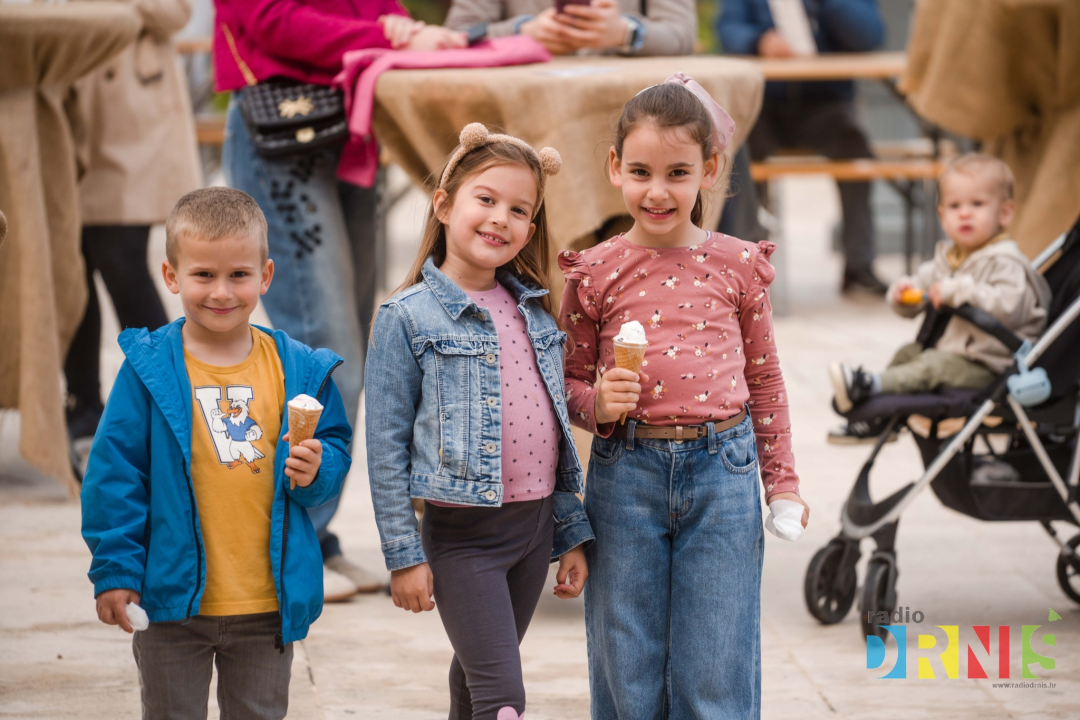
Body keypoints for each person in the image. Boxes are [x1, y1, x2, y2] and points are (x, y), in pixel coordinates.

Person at [558, 75, 809, 718]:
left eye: (678, 173)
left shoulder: (739, 266)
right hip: (625, 476)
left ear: (710, 169)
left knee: (715, 663)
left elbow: (765, 381)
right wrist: (597, 404)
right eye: (641, 171)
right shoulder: (595, 272)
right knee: (626, 660)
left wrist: (781, 483)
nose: (658, 191)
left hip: (724, 473)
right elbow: (565, 382)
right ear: (615, 167)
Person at [216, 0, 466, 599]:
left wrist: (402, 26)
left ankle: (314, 538)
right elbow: (268, 20)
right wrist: (385, 34)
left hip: (348, 127)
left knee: (358, 350)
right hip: (280, 129)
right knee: (326, 353)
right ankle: (283, 548)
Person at [80, 188, 353, 719]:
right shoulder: (149, 371)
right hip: (170, 604)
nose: (222, 292)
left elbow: (334, 448)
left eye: (239, 275)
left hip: (268, 604)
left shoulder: (297, 369)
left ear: (265, 276)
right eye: (203, 274)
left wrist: (318, 470)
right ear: (171, 276)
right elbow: (114, 476)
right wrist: (115, 571)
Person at [365, 124, 594, 720]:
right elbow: (384, 447)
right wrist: (403, 554)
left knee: (475, 685)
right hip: (464, 538)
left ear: (530, 231)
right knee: (503, 698)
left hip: (534, 530)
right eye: (486, 199)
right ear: (443, 205)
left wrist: (569, 531)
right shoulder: (405, 317)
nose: (500, 219)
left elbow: (552, 435)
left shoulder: (535, 311)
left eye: (519, 210)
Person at [65, 0, 201, 454]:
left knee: (121, 261)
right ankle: (83, 404)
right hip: (73, 104)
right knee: (72, 270)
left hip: (133, 117)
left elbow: (176, 12)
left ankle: (171, 397)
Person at [829, 154, 1051, 423]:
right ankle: (875, 413)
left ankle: (867, 387)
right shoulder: (948, 260)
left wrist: (957, 291)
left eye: (977, 204)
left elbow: (1008, 307)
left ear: (1004, 213)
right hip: (955, 356)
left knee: (932, 365)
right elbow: (920, 289)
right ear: (943, 216)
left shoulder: (1006, 262)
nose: (965, 213)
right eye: (955, 206)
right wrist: (902, 295)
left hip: (992, 365)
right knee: (908, 354)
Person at [717, 0, 889, 294]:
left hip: (826, 104)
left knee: (855, 148)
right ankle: (744, 266)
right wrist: (759, 41)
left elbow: (869, 35)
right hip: (763, 105)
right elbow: (727, 30)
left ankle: (859, 265)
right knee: (736, 152)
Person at [445, 0, 696, 57]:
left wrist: (625, 33)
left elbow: (682, 35)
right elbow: (456, 35)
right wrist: (522, 33)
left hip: (632, 113)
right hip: (512, 122)